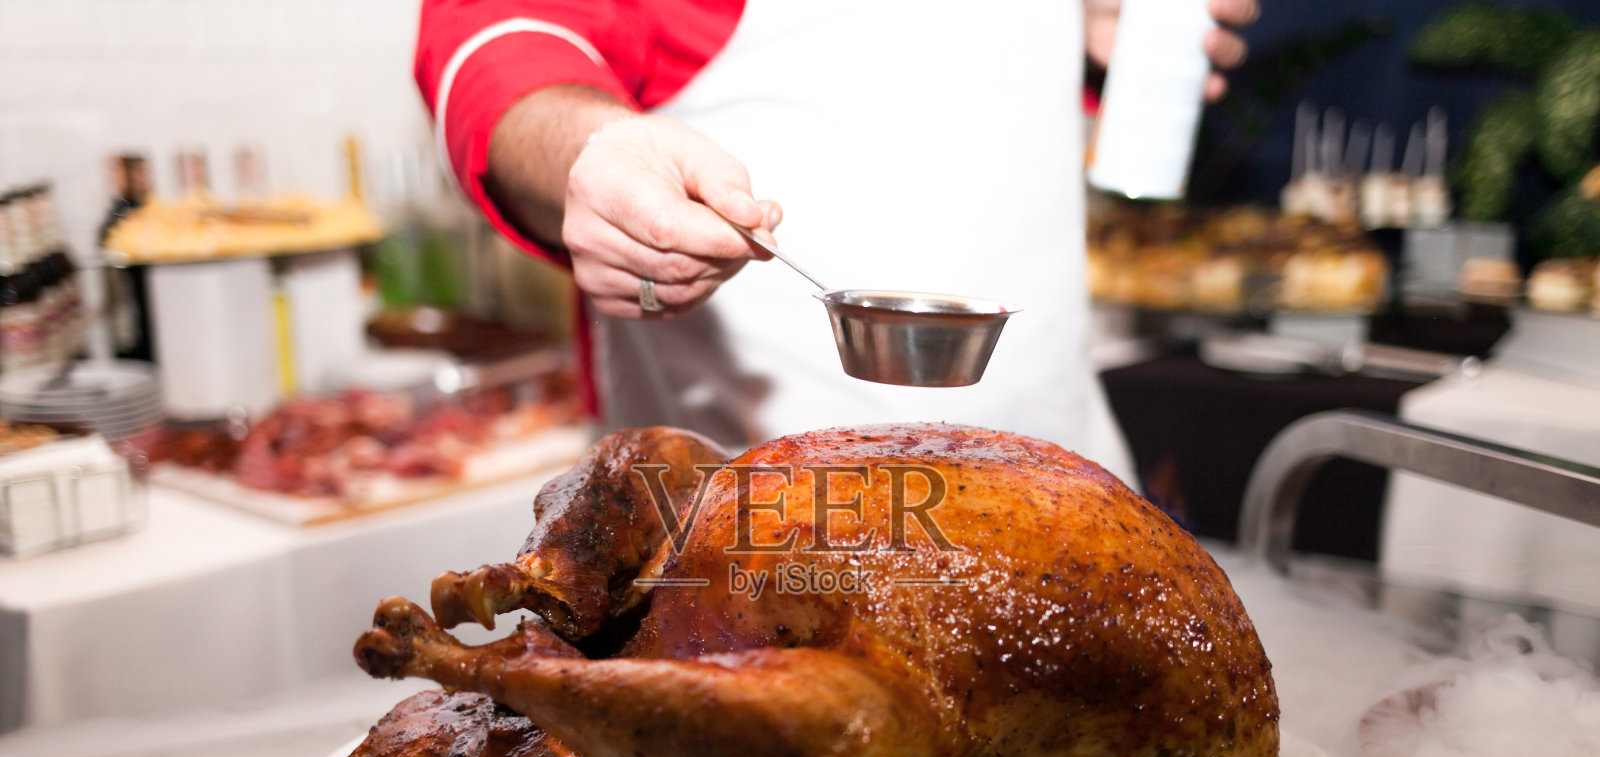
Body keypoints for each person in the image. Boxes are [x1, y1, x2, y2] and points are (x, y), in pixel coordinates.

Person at [416, 0, 1258, 478]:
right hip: (769, 558)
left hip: (1071, 488)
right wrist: (589, 149)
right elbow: (504, 41)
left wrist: (1086, 27)